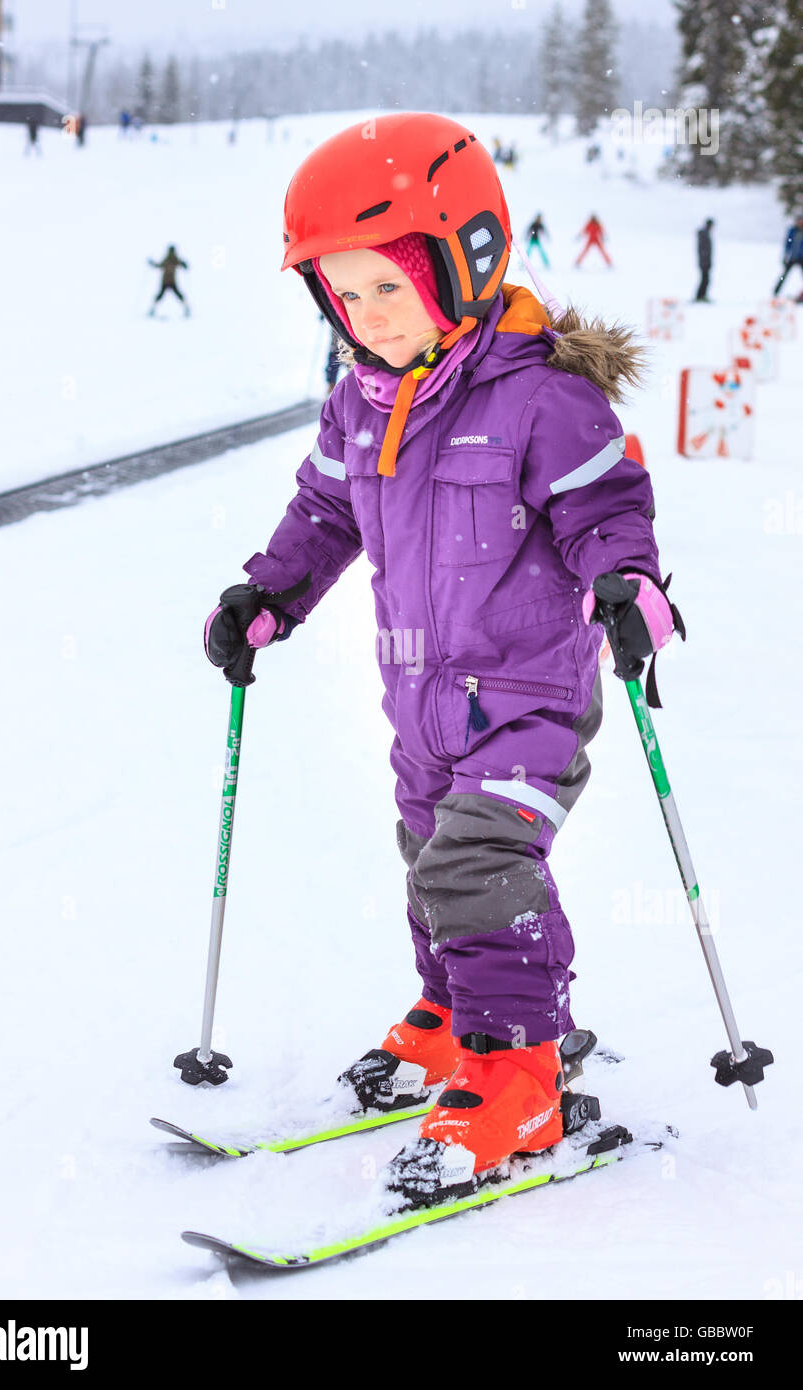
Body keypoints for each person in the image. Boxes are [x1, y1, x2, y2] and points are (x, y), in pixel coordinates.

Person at [202, 113, 682, 1204]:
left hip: (527, 698)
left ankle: (518, 1071)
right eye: (343, 294)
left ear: (461, 261)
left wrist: (629, 588)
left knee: (475, 866)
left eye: (386, 286)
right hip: (419, 699)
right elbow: (324, 512)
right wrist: (268, 593)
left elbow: (606, 509)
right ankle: (456, 1013)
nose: (363, 316)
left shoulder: (540, 399)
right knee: (427, 857)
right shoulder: (357, 403)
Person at [147, 245, 190, 316]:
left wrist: (184, 265)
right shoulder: (171, 260)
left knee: (162, 296)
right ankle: (152, 310)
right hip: (168, 282)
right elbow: (158, 265)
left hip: (169, 282)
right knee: (161, 296)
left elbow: (158, 265)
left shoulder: (173, 260)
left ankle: (152, 310)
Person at [773, 214, 803, 296]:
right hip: (792, 257)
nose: (800, 222)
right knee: (784, 275)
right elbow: (787, 244)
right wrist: (786, 256)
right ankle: (776, 292)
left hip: (801, 258)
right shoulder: (792, 230)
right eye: (799, 221)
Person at [694, 218, 714, 302]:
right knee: (705, 279)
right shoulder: (704, 235)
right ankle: (700, 296)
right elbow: (703, 250)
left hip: (705, 262)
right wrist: (706, 262)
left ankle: (701, 296)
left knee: (705, 279)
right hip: (704, 262)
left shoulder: (705, 234)